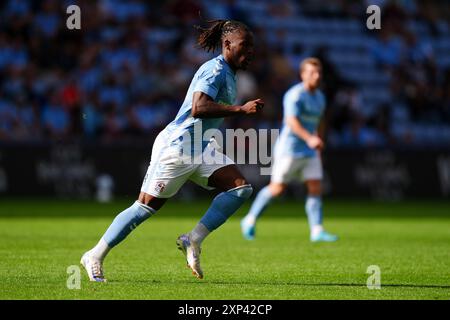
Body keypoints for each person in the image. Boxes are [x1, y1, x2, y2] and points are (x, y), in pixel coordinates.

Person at [80, 19, 264, 282]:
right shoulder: (214, 70)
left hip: (201, 146)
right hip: (177, 146)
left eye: (252, 48)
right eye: (244, 46)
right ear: (227, 44)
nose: (250, 53)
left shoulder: (231, 73)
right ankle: (94, 255)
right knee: (144, 207)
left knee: (240, 189)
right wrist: (240, 109)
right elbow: (198, 108)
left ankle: (193, 240)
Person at [241, 58, 338, 243]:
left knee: (315, 187)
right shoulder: (295, 95)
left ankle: (317, 231)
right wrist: (310, 138)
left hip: (310, 152)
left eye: (318, 73)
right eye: (311, 73)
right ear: (302, 75)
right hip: (290, 150)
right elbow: (291, 122)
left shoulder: (320, 97)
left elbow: (320, 122)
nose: (316, 76)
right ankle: (249, 219)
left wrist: (318, 142)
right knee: (277, 189)